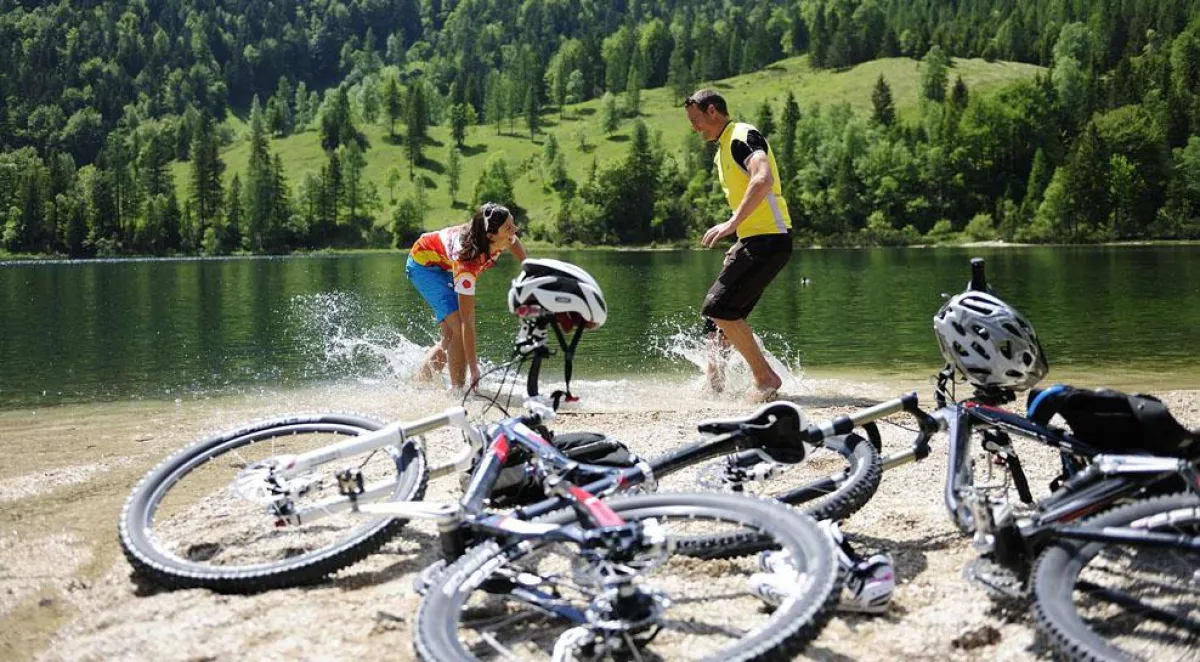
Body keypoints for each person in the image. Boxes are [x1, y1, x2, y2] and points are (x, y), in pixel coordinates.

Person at [685, 89, 793, 400]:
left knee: (719, 307)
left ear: (712, 111)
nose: (695, 128)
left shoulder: (741, 136)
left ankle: (765, 378)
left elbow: (763, 179)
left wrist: (732, 225)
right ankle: (714, 383)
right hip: (757, 239)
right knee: (718, 318)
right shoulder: (723, 148)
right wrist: (740, 239)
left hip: (770, 239)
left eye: (696, 120)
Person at [406, 202, 526, 391]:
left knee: (449, 337)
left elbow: (514, 241)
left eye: (512, 223)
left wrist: (528, 266)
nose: (515, 230)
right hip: (424, 266)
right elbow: (467, 323)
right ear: (491, 236)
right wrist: (474, 368)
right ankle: (458, 391)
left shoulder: (497, 235)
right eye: (509, 227)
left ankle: (419, 383)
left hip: (444, 263)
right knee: (458, 327)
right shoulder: (466, 264)